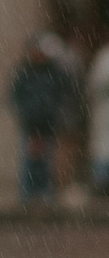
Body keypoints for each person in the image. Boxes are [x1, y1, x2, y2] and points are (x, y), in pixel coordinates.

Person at [8, 37, 80, 207]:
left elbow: (62, 98)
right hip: (31, 123)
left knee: (47, 161)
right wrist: (29, 119)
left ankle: (45, 194)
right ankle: (28, 195)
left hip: (48, 124)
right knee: (30, 160)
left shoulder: (54, 74)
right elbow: (17, 98)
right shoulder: (26, 73)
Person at [88, 31, 109, 203]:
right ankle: (102, 185)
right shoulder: (104, 57)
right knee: (103, 146)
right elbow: (96, 85)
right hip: (104, 112)